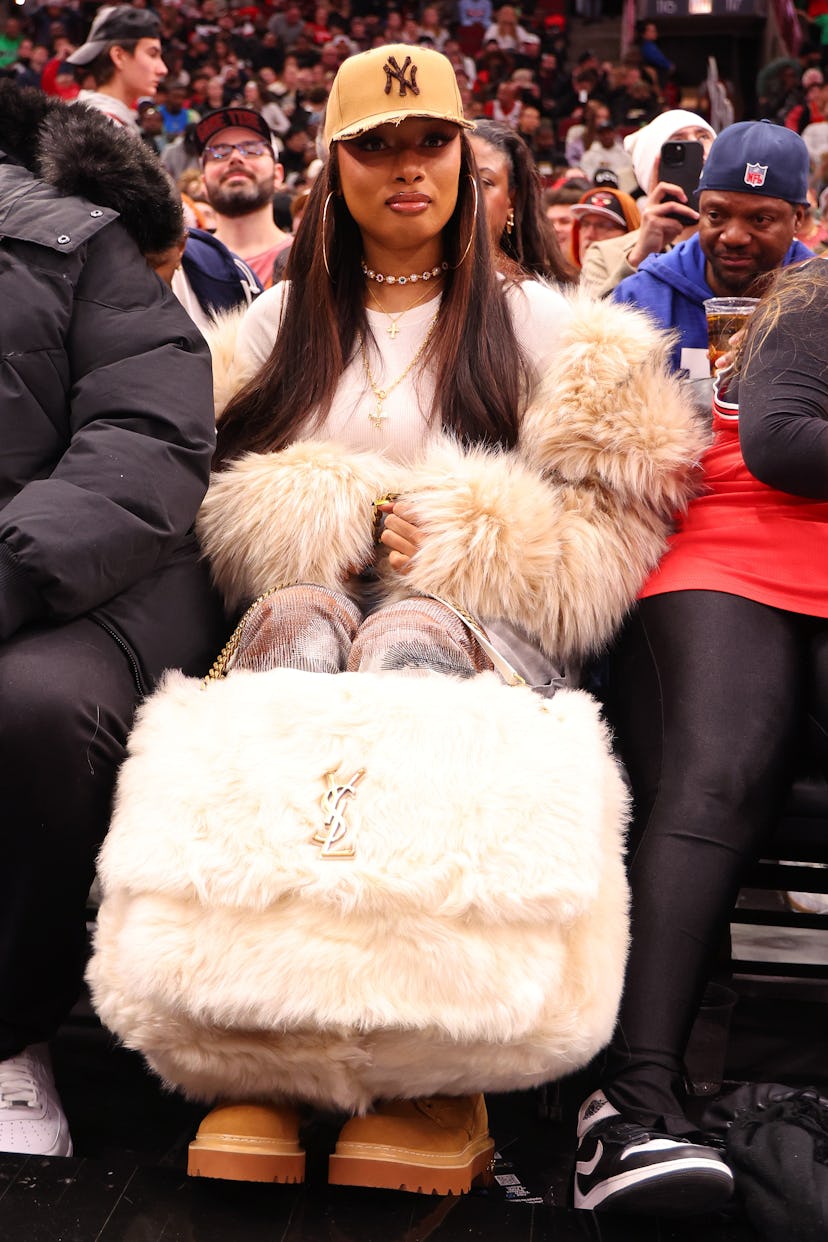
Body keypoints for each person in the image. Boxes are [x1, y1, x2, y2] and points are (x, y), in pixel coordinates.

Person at [87, 43, 704, 1194]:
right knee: (299, 636)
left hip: (485, 632)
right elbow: (194, 491)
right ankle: (257, 1042)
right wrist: (313, 513)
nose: (407, 168)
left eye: (431, 143)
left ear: (467, 163)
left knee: (406, 644)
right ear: (333, 167)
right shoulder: (272, 328)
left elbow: (621, 522)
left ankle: (433, 1061)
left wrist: (480, 540)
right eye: (376, 146)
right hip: (310, 619)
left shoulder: (544, 327)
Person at [574, 255, 828, 1216]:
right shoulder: (814, 298)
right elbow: (784, 442)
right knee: (717, 778)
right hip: (740, 541)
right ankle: (630, 1106)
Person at [0, 80, 226, 1158]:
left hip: (81, 579)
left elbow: (145, 437)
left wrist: (13, 573)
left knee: (37, 713)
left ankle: (10, 1035)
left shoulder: (71, 246)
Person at [612, 121, 814, 382]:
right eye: (716, 215)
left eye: (760, 219)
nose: (733, 237)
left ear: (797, 219)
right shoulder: (639, 301)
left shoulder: (820, 301)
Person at [580, 109, 715, 298]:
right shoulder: (604, 255)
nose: (695, 144)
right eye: (677, 141)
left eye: (703, 137)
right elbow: (592, 324)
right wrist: (640, 256)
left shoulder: (729, 242)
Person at [180, 105, 291, 311]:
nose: (235, 158)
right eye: (218, 153)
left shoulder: (312, 260)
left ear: (278, 174)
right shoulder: (182, 264)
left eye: (251, 149)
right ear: (203, 182)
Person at [470, 119, 575, 281]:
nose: (466, 192)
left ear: (511, 199)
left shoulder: (541, 300)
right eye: (454, 179)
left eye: (484, 182)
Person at [66, 5, 167, 131]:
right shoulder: (98, 130)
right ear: (119, 56)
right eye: (152, 54)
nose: (163, 69)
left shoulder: (101, 123)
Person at [570, 186, 641, 272]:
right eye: (585, 225)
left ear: (629, 235)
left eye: (602, 226)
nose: (589, 235)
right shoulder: (561, 282)